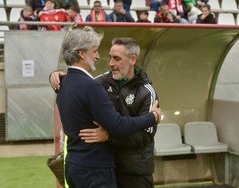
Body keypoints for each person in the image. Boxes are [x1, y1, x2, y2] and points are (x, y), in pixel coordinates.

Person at [55, 26, 161, 188]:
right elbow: (118, 125)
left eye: (116, 58)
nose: (108, 62)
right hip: (98, 168)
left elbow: (144, 136)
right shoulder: (95, 83)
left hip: (133, 172)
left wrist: (109, 137)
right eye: (108, 56)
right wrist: (153, 117)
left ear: (132, 59)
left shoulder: (147, 91)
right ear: (82, 54)